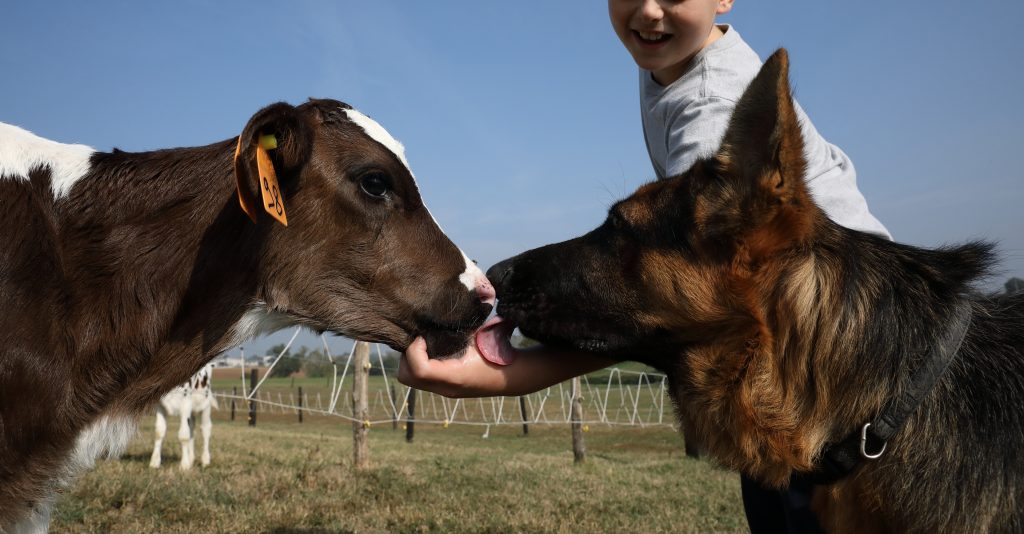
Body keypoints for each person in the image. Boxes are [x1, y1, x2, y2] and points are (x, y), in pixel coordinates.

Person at [400, 1, 890, 532]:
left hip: (826, 396)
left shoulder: (715, 110)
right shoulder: (676, 62)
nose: (649, 10)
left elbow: (682, 303)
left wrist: (509, 378)